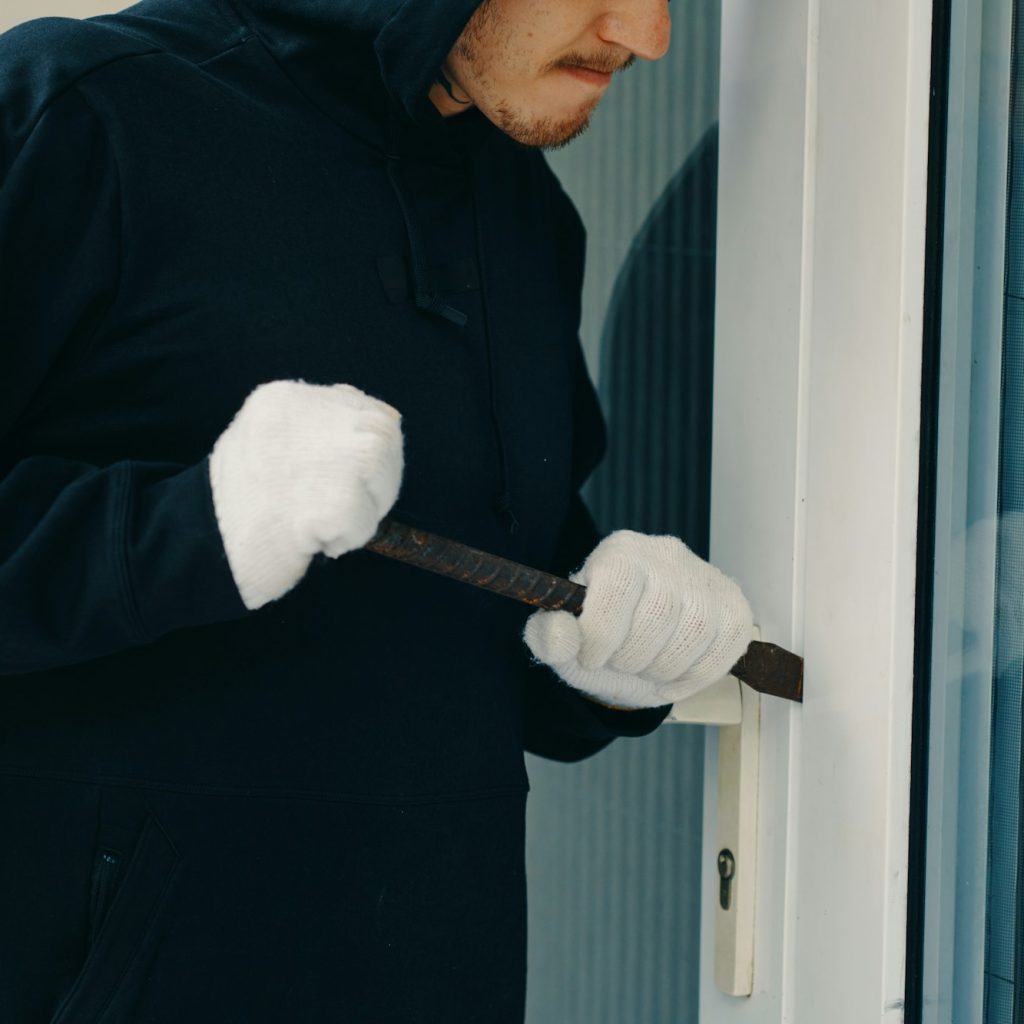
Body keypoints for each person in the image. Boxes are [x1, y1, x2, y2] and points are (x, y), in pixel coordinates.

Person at [0, 0, 753, 1019]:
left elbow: (476, 621)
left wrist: (608, 656)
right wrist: (193, 525)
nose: (648, 34)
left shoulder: (522, 215)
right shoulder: (82, 110)